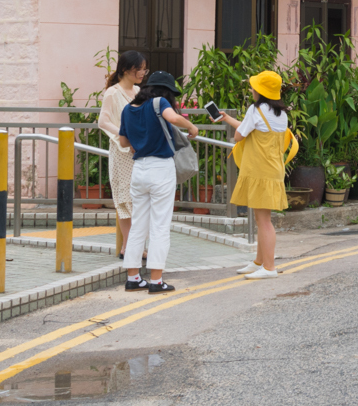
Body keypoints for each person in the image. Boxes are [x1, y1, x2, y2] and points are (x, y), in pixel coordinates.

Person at [117, 70, 199, 293]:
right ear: (167, 92)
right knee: (160, 226)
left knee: (138, 225)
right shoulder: (159, 102)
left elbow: (123, 142)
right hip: (160, 168)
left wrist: (140, 142)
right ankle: (156, 280)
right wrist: (191, 127)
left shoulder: (128, 109)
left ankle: (133, 278)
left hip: (139, 169)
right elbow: (173, 118)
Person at [217, 70, 296, 280]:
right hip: (273, 170)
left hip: (259, 170)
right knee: (262, 219)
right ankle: (259, 262)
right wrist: (229, 119)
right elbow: (251, 128)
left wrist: (234, 124)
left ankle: (269, 267)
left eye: (254, 86)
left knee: (264, 221)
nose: (251, 89)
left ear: (260, 91)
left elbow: (239, 136)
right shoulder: (281, 113)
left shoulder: (256, 109)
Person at [96, 50, 147, 259]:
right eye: (139, 69)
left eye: (144, 69)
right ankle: (129, 246)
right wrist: (124, 135)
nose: (142, 73)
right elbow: (103, 121)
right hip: (122, 151)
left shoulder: (138, 91)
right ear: (126, 70)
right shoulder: (112, 93)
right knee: (126, 198)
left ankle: (134, 246)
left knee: (138, 198)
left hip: (139, 150)